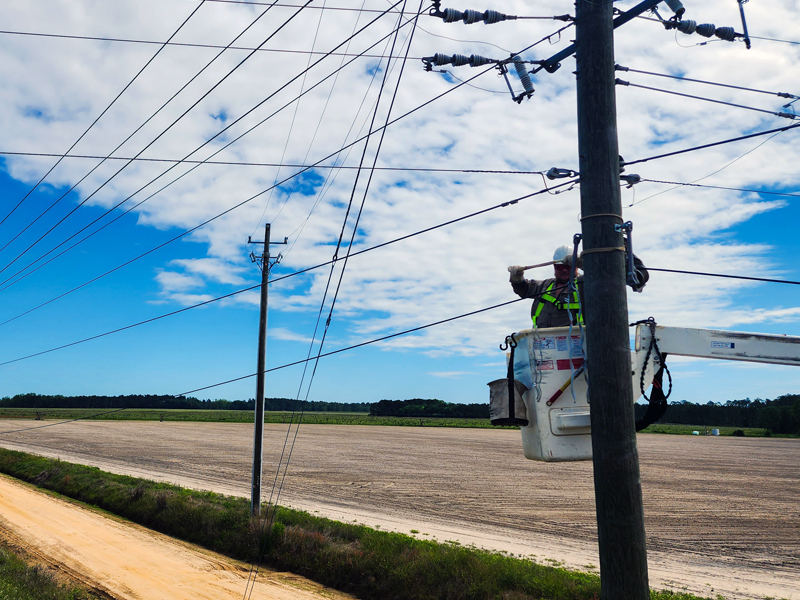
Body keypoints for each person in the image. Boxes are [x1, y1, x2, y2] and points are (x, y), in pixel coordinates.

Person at [508, 245, 649, 328]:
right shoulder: (545, 285)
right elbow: (525, 289)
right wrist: (517, 279)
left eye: (569, 266)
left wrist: (586, 265)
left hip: (576, 346)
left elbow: (605, 277)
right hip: (543, 345)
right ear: (554, 267)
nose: (564, 270)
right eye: (559, 267)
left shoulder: (586, 283)